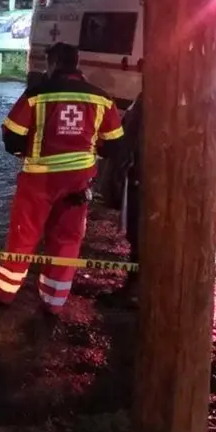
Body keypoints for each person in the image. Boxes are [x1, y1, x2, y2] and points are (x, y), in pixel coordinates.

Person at [0, 42, 124, 312]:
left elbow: (12, 137)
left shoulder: (37, 94)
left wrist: (25, 150)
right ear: (77, 63)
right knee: (67, 239)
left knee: (23, 236)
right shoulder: (101, 98)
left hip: (38, 181)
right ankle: (54, 301)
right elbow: (114, 145)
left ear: (52, 64)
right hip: (78, 182)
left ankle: (4, 294)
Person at [95, 91, 143, 304]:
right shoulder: (145, 98)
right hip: (138, 177)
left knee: (140, 235)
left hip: (141, 179)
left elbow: (129, 142)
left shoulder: (152, 100)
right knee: (137, 236)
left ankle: (136, 291)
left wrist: (117, 177)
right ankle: (135, 287)